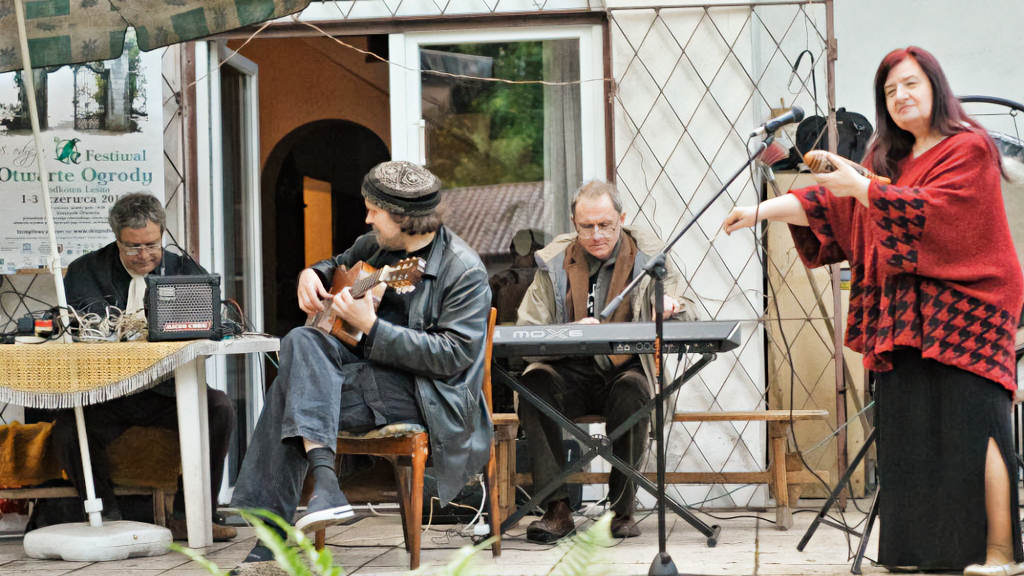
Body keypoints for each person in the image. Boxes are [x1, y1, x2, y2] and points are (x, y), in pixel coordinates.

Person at [723, 47, 1024, 575]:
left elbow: (941, 217)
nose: (901, 96)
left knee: (978, 427)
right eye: (890, 91)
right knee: (908, 430)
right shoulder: (887, 161)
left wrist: (862, 188)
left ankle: (998, 554)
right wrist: (758, 211)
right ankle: (918, 552)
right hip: (907, 314)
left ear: (935, 86)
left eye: (910, 84)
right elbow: (832, 206)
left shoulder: (969, 148)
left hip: (971, 308)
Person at [230, 161, 493, 565]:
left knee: (292, 392)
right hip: (361, 377)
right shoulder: (375, 246)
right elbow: (336, 264)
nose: (366, 216)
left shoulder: (464, 271)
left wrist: (370, 325)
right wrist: (309, 273)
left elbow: (453, 357)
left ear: (404, 217)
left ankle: (276, 536)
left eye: (375, 209)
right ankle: (324, 487)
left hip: (426, 394)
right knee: (301, 338)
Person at [515, 180, 695, 543]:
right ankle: (557, 509)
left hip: (625, 369)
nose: (596, 234)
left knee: (633, 391)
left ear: (622, 219)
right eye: (586, 226)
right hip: (570, 371)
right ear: (574, 223)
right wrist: (569, 331)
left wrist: (671, 308)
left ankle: (621, 510)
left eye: (606, 225)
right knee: (533, 386)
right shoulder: (554, 263)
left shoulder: (650, 258)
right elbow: (527, 333)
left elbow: (686, 315)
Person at [52, 192, 238, 541]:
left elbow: (212, 327)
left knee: (220, 409)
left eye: (152, 245)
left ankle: (192, 514)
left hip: (166, 391)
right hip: (108, 392)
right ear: (116, 238)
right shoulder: (85, 271)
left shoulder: (183, 270)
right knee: (67, 427)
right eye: (132, 247)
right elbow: (76, 330)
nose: (143, 256)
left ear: (163, 234)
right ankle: (105, 515)